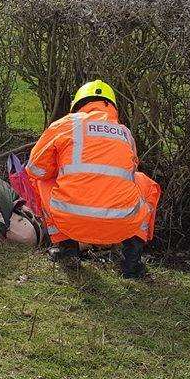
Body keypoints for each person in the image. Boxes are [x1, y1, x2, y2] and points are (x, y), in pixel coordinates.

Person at [26, 80, 161, 279]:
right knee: (146, 184)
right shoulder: (125, 133)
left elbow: (35, 169)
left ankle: (66, 248)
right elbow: (129, 173)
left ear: (78, 105)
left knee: (43, 180)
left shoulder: (64, 125)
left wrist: (62, 170)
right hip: (121, 225)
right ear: (112, 106)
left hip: (70, 220)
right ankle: (131, 261)